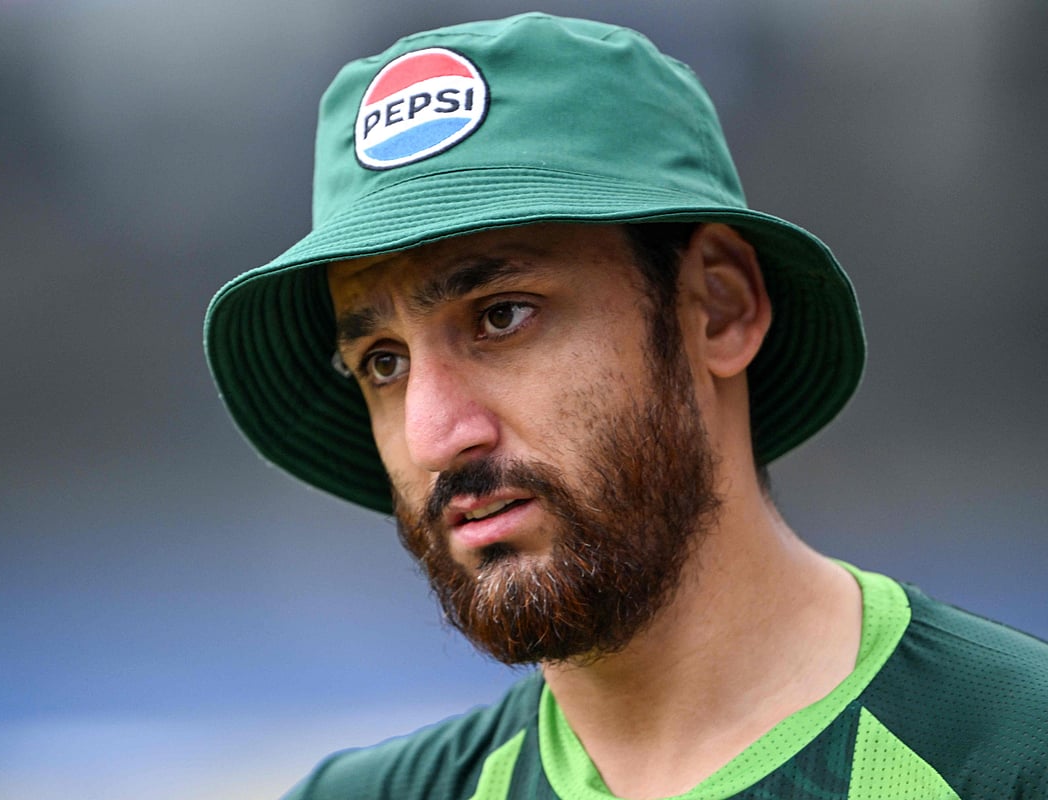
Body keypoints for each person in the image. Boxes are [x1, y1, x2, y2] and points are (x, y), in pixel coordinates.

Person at [204, 13, 1048, 800]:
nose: (434, 436)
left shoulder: (1010, 753)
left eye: (502, 315)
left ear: (718, 307)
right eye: (383, 362)